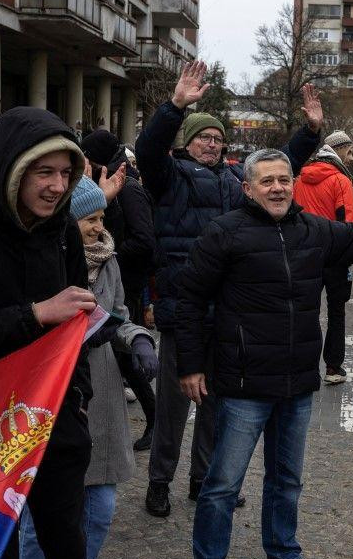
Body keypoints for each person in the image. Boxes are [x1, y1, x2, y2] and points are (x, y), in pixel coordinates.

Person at [177, 148, 353, 559]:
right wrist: (190, 365)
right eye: (267, 181)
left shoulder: (313, 231)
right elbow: (189, 301)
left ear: (293, 184)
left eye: (283, 180)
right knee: (222, 486)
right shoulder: (223, 233)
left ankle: (283, 550)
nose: (277, 188)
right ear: (248, 188)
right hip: (242, 383)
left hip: (297, 382)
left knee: (286, 481)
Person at [136, 61, 322, 518]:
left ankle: (203, 480)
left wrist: (310, 131)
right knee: (174, 407)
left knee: (217, 406)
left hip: (229, 311)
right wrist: (176, 106)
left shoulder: (235, 182)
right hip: (184, 308)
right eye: (204, 136)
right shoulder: (169, 176)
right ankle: (159, 482)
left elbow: (279, 168)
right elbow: (149, 148)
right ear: (188, 140)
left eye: (218, 138)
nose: (212, 143)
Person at [0, 107, 95, 558]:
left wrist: (79, 397)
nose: (57, 186)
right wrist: (35, 313)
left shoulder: (64, 229)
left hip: (56, 416)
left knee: (66, 540)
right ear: (11, 168)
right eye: (44, 172)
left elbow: (77, 324)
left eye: (66, 173)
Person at [18, 177, 158, 559]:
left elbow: (118, 316)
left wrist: (138, 337)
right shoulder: (43, 259)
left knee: (100, 510)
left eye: (102, 217)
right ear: (68, 221)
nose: (100, 227)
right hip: (57, 391)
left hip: (104, 393)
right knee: (42, 520)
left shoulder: (109, 259)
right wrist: (81, 329)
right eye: (90, 219)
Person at [81, 129, 159, 451]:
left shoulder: (128, 189)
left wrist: (110, 258)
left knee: (126, 357)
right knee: (120, 359)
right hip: (114, 281)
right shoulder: (107, 187)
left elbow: (144, 242)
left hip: (124, 284)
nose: (97, 226)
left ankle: (153, 422)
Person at [293, 129, 353, 385]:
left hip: (305, 253)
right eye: (349, 151)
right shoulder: (341, 180)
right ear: (338, 150)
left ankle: (303, 365)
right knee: (336, 311)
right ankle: (333, 366)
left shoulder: (300, 179)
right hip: (335, 256)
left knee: (305, 310)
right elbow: (349, 223)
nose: (351, 158)